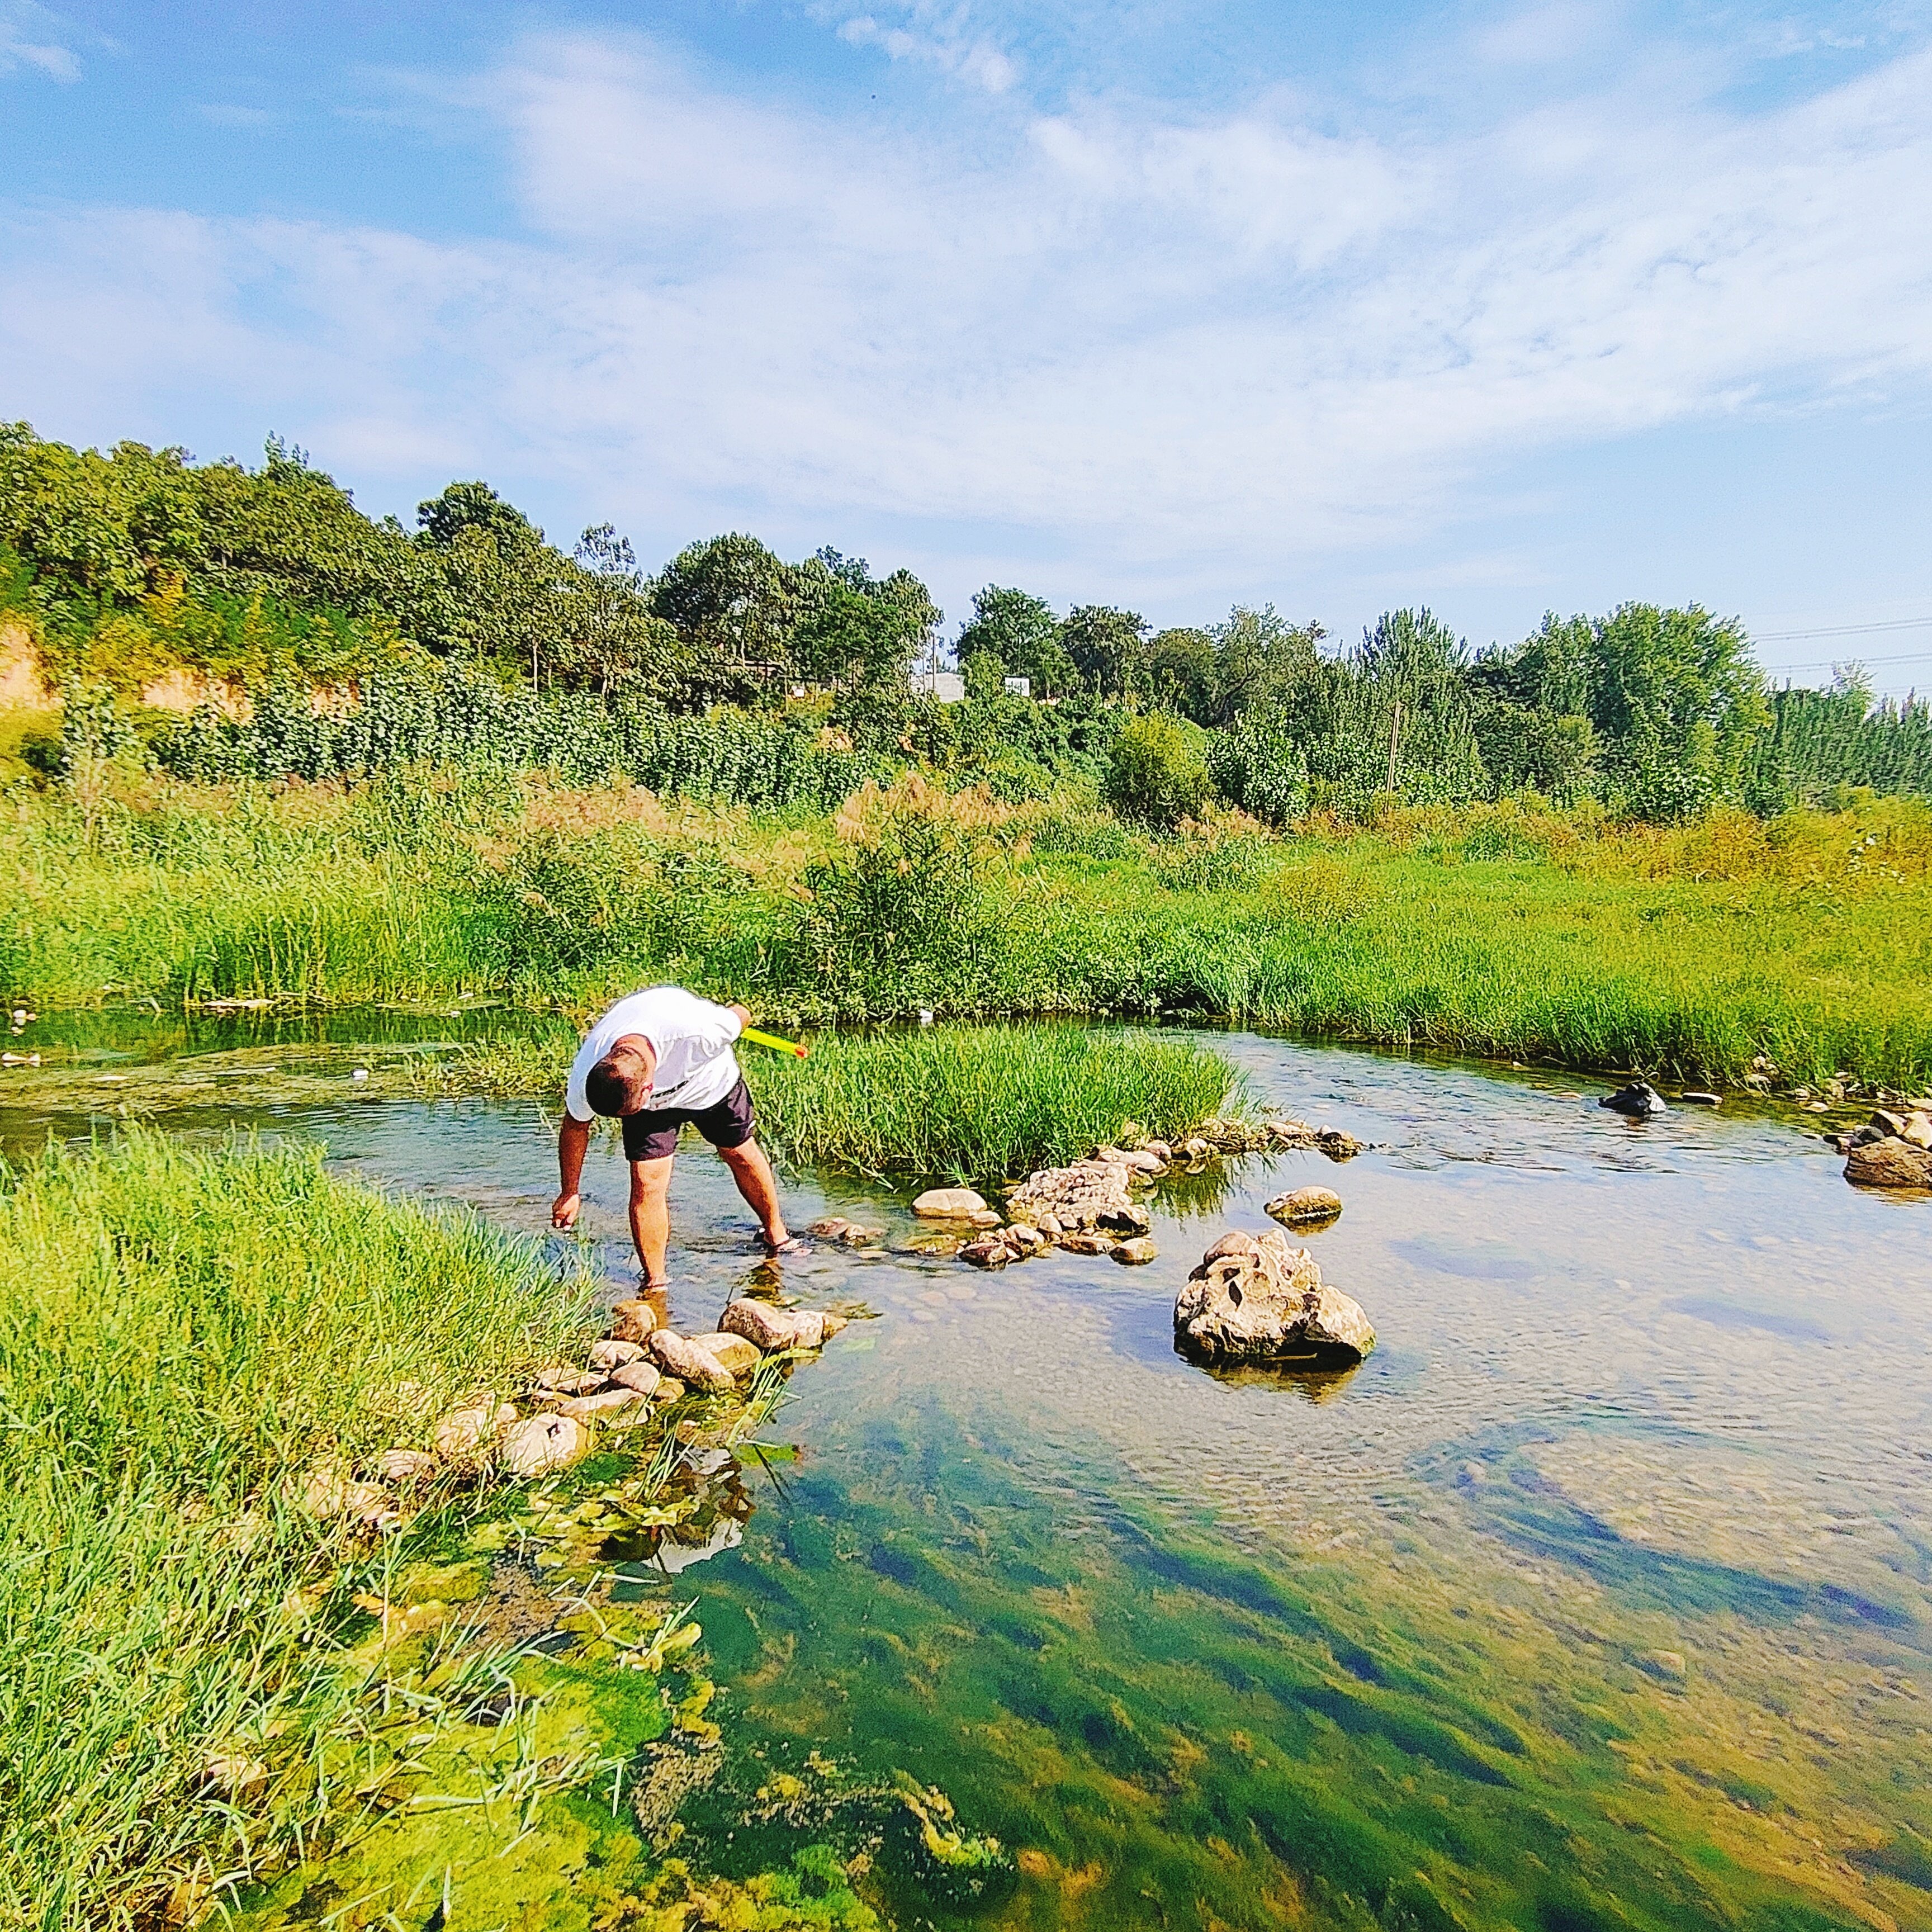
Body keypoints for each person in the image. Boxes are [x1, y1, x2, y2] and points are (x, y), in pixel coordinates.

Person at [550, 985, 799, 1288]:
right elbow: (576, 1127)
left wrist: (734, 1016)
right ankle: (656, 1282)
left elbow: (741, 1014)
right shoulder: (591, 1072)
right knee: (647, 1183)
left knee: (740, 1153)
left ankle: (777, 1235)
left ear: (647, 1090)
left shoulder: (700, 1032)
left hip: (713, 1086)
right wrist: (570, 1192)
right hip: (651, 1106)